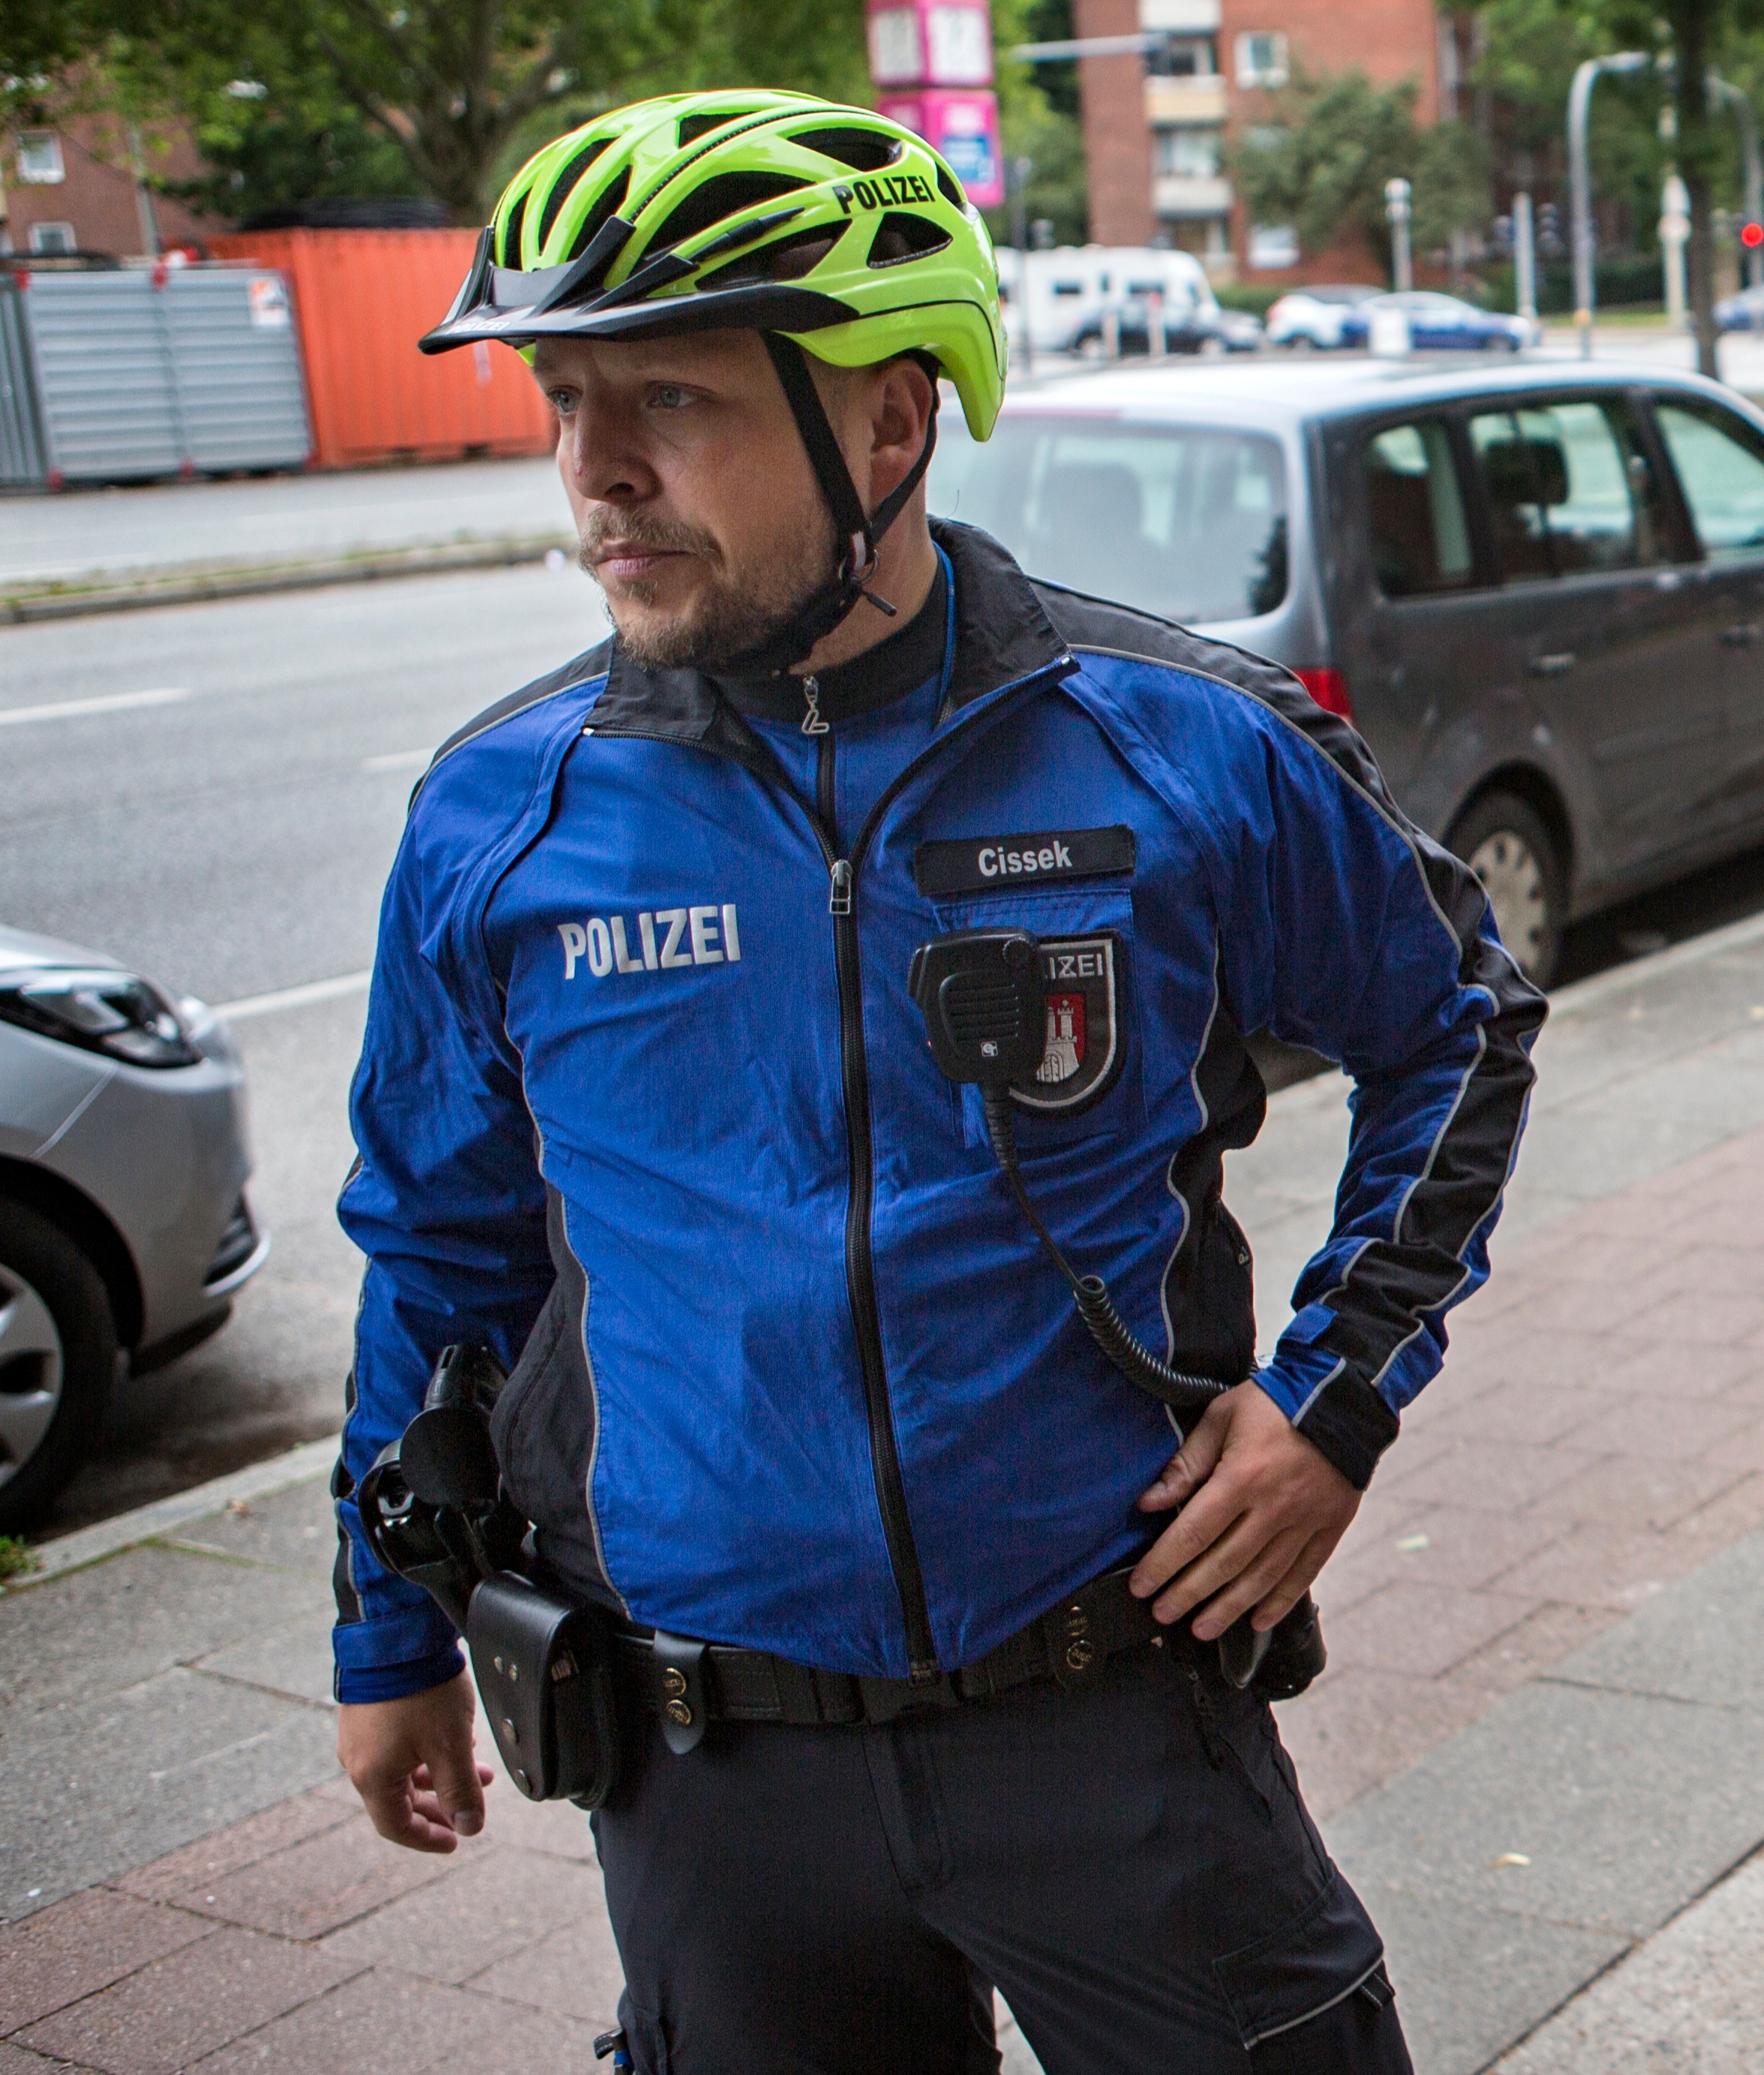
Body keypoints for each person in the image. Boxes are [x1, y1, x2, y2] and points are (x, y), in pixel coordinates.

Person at [326, 91, 1542, 2073]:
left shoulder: (1173, 743)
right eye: (561, 400)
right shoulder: (504, 817)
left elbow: (1457, 1023)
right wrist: (388, 1632)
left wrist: (1333, 1399)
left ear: (888, 425)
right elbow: (436, 1256)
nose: (594, 472)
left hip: (1109, 1710)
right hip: (709, 1763)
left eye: (673, 399)